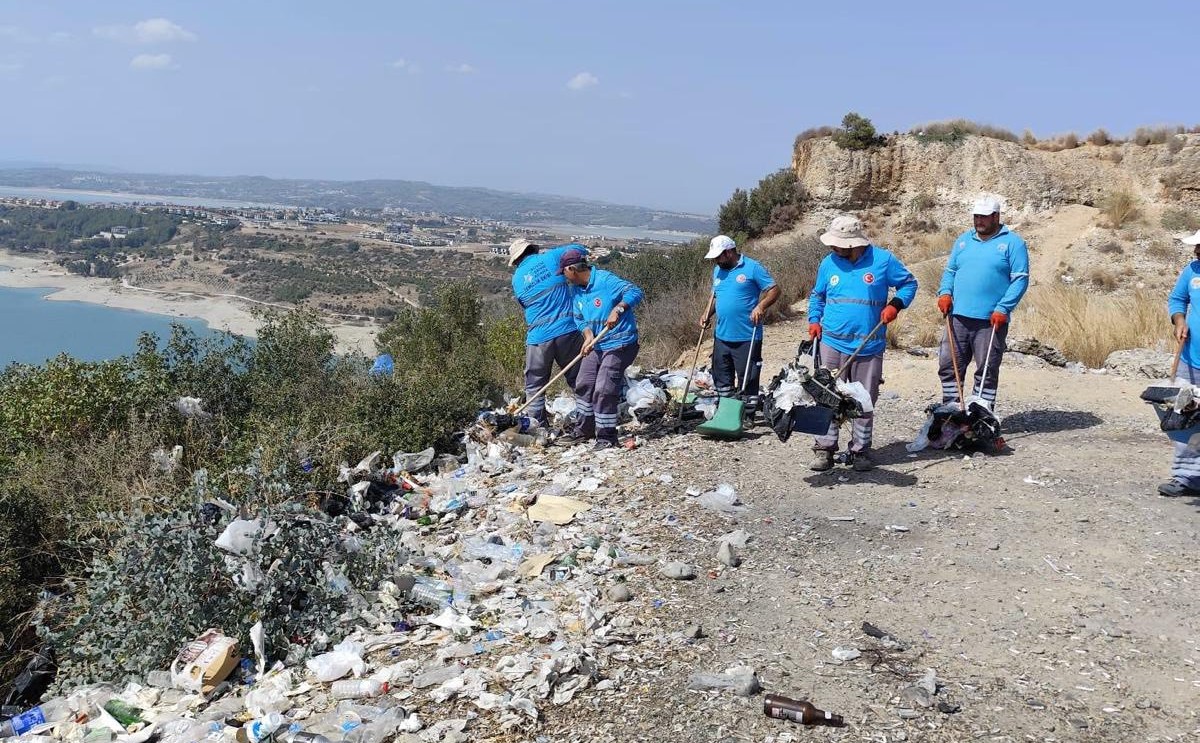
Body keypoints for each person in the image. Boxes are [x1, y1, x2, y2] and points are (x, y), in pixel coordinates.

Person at [808, 215, 918, 471]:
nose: (833, 248)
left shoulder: (883, 261)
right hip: (832, 342)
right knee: (827, 396)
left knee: (864, 401)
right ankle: (824, 449)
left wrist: (895, 305)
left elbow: (909, 284)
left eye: (838, 245)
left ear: (853, 244)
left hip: (869, 345)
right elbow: (817, 296)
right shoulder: (828, 263)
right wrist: (814, 320)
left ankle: (860, 451)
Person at [935, 197, 1030, 409]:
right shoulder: (963, 240)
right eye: (976, 216)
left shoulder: (1013, 243)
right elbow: (950, 271)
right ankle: (952, 411)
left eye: (984, 217)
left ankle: (981, 413)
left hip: (990, 320)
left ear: (996, 217)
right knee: (949, 366)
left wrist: (1003, 308)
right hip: (957, 316)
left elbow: (1020, 279)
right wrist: (945, 293)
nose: (979, 221)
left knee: (986, 369)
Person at [555, 248, 644, 450]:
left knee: (604, 388)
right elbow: (579, 318)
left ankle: (606, 436)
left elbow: (635, 291)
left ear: (572, 269)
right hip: (598, 344)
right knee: (583, 383)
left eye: (564, 272)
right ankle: (584, 430)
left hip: (621, 343)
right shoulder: (576, 290)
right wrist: (588, 336)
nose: (564, 276)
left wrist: (618, 309)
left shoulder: (605, 281)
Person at [508, 239, 588, 425]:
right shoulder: (552, 257)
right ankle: (588, 420)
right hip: (567, 330)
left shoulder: (517, 278)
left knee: (534, 385)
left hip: (538, 337)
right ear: (532, 250)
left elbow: (523, 303)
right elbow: (579, 249)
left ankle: (538, 425)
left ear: (517, 259)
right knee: (578, 378)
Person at [700, 235, 781, 416]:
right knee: (721, 376)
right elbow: (715, 295)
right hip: (722, 335)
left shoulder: (753, 268)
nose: (715, 260)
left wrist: (761, 306)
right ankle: (726, 412)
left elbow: (774, 290)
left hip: (747, 335)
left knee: (748, 377)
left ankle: (747, 413)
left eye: (717, 256)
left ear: (729, 253)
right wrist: (707, 314)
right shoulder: (718, 270)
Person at [1159, 228, 1200, 497]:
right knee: (1184, 416)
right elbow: (1177, 299)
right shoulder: (1193, 270)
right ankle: (1187, 476)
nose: (1196, 251)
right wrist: (1180, 320)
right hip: (1190, 359)